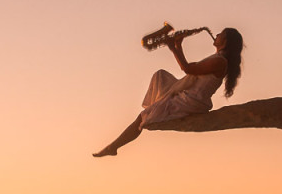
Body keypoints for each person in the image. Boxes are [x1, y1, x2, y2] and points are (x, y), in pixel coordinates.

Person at [93, 27, 243, 157]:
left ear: (226, 41)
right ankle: (116, 145)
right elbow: (190, 68)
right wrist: (178, 45)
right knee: (161, 76)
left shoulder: (219, 61)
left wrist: (173, 48)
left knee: (143, 117)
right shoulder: (219, 59)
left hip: (191, 100)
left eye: (220, 34)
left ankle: (113, 147)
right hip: (192, 96)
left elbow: (188, 68)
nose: (216, 35)